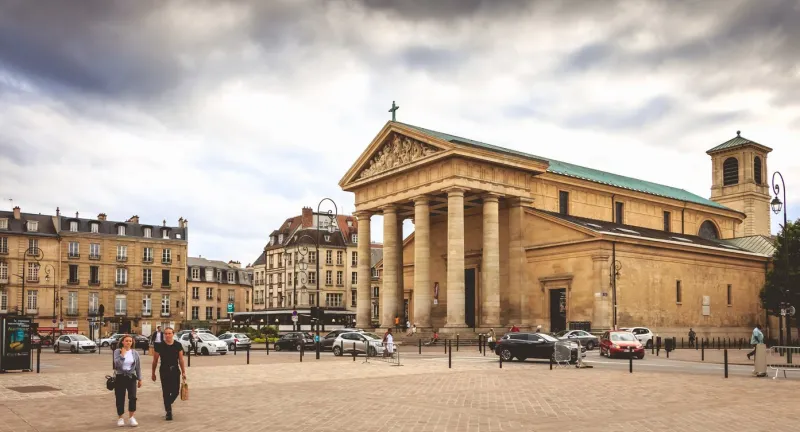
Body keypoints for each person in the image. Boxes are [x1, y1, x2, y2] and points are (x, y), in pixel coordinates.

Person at [151, 328, 186, 421]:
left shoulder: (178, 345)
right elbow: (155, 360)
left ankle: (167, 403)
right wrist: (153, 373)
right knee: (166, 392)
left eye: (169, 333)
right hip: (164, 370)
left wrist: (183, 372)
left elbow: (181, 360)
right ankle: (168, 412)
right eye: (166, 334)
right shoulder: (159, 345)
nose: (167, 335)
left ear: (173, 334)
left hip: (175, 370)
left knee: (175, 391)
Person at [113, 335, 142, 427]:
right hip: (120, 376)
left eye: (130, 341)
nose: (128, 342)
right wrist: (122, 355)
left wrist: (140, 378)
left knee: (133, 397)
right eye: (126, 341)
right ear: (122, 342)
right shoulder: (117, 351)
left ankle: (131, 417)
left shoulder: (135, 353)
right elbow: (117, 364)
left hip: (131, 377)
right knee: (120, 397)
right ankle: (120, 418)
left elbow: (138, 367)